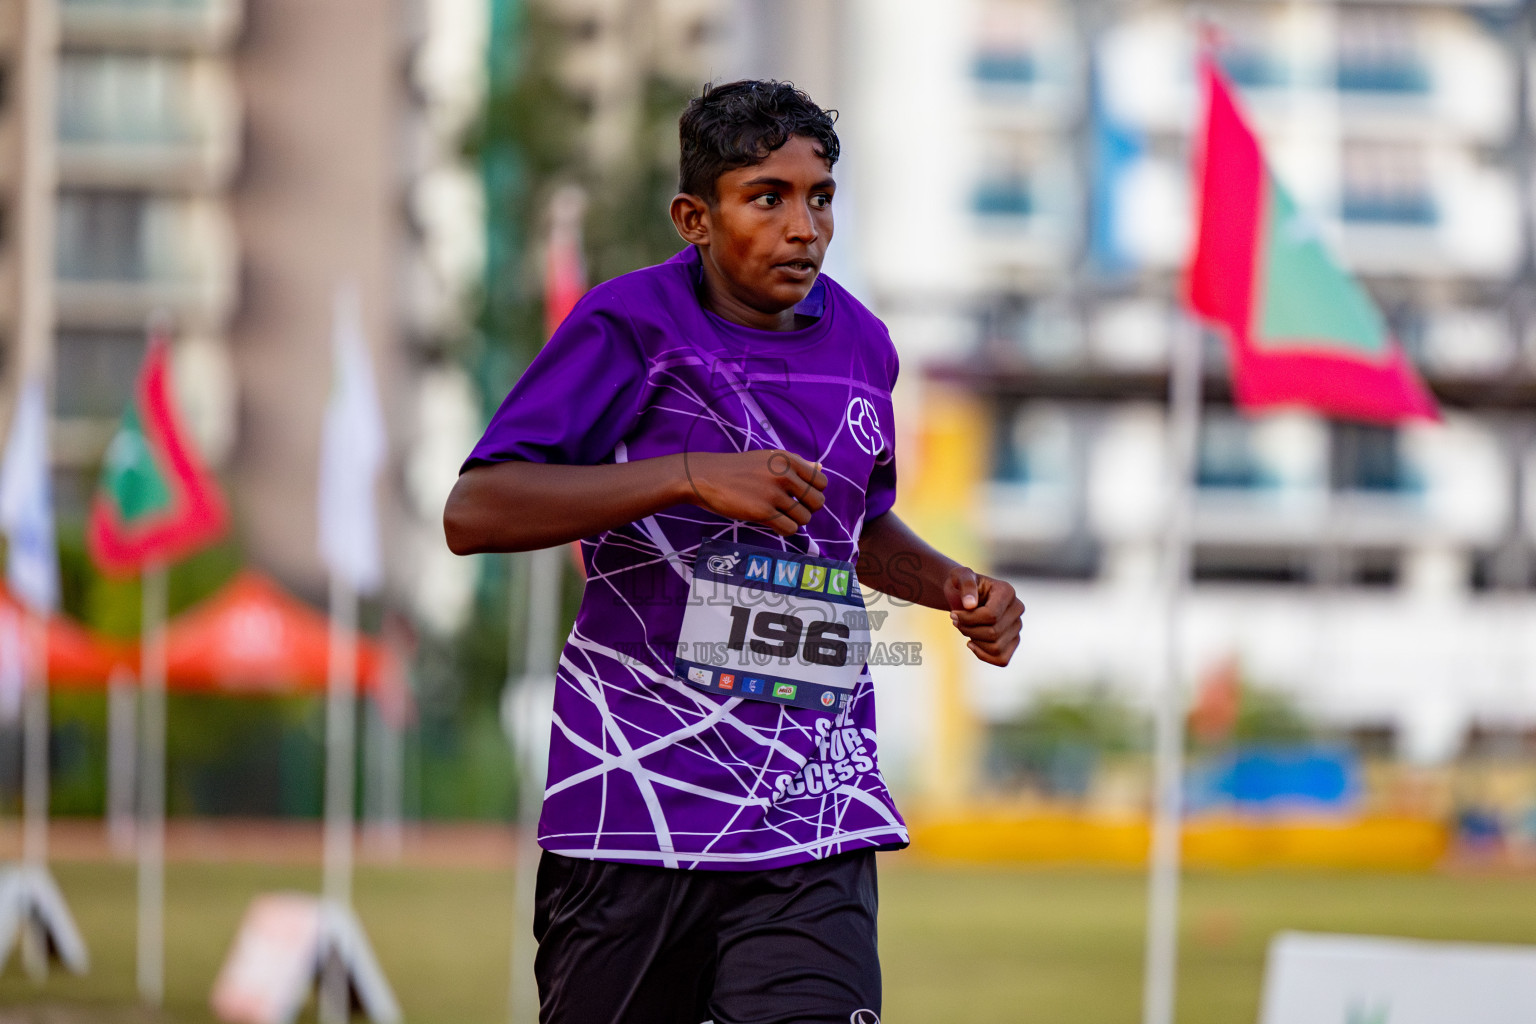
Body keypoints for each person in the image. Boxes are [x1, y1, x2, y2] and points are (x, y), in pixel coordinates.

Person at [445, 79, 1024, 1024]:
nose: (804, 226)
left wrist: (955, 586)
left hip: (814, 807)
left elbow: (853, 525)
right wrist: (686, 474)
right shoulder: (628, 327)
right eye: (768, 197)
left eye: (821, 196)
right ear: (695, 218)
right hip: (636, 807)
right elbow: (476, 511)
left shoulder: (866, 347)